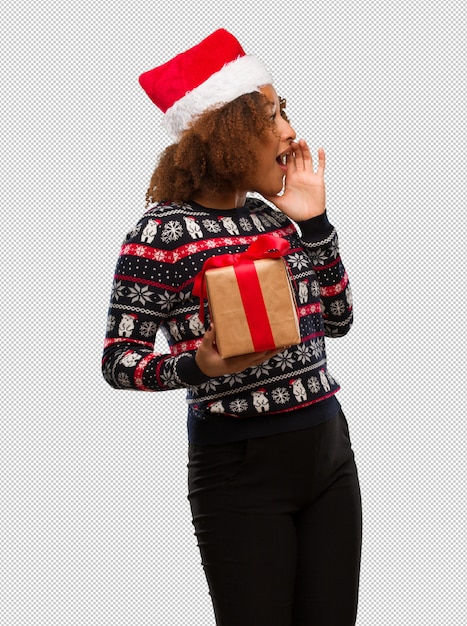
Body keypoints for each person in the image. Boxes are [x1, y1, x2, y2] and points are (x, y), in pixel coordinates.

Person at [102, 28, 362, 626]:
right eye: (273, 114)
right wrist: (200, 366)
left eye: (285, 111)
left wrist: (316, 225)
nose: (290, 131)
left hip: (328, 452)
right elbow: (120, 360)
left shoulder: (274, 216)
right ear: (229, 130)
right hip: (240, 469)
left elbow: (341, 319)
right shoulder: (161, 233)